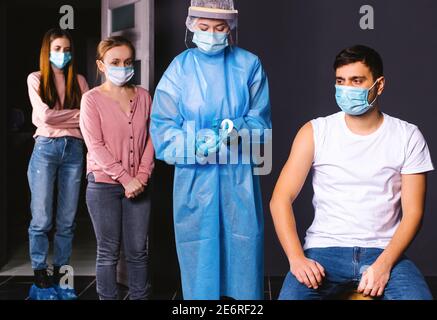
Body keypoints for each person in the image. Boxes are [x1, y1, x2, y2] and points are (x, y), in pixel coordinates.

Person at [270, 45, 434, 300]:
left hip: (383, 250)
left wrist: (384, 264)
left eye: (356, 81)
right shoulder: (315, 132)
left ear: (378, 86)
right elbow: (280, 199)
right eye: (340, 81)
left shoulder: (407, 136)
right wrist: (296, 259)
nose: (346, 89)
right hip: (324, 251)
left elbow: (414, 212)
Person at [150, 0, 272, 300]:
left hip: (238, 176)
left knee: (242, 245)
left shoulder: (249, 64)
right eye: (204, 28)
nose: (212, 34)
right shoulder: (179, 68)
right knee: (198, 248)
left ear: (230, 29)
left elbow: (262, 124)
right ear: (191, 26)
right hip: (194, 178)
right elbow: (162, 128)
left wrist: (237, 129)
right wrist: (196, 143)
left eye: (220, 28)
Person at [80, 36, 155, 300]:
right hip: (103, 185)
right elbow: (95, 146)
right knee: (108, 252)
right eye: (115, 62)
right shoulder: (91, 100)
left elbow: (150, 139)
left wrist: (141, 177)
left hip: (139, 184)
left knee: (138, 251)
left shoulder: (144, 96)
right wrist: (126, 179)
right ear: (101, 65)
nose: (122, 66)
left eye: (127, 61)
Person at [27, 28, 89, 300]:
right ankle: (40, 275)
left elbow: (87, 119)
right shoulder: (36, 79)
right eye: (57, 49)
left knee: (67, 220)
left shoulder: (80, 81)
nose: (62, 54)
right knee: (41, 218)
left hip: (74, 150)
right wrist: (71, 116)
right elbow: (45, 117)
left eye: (66, 49)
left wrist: (57, 117)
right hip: (45, 149)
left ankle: (61, 274)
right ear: (47, 51)